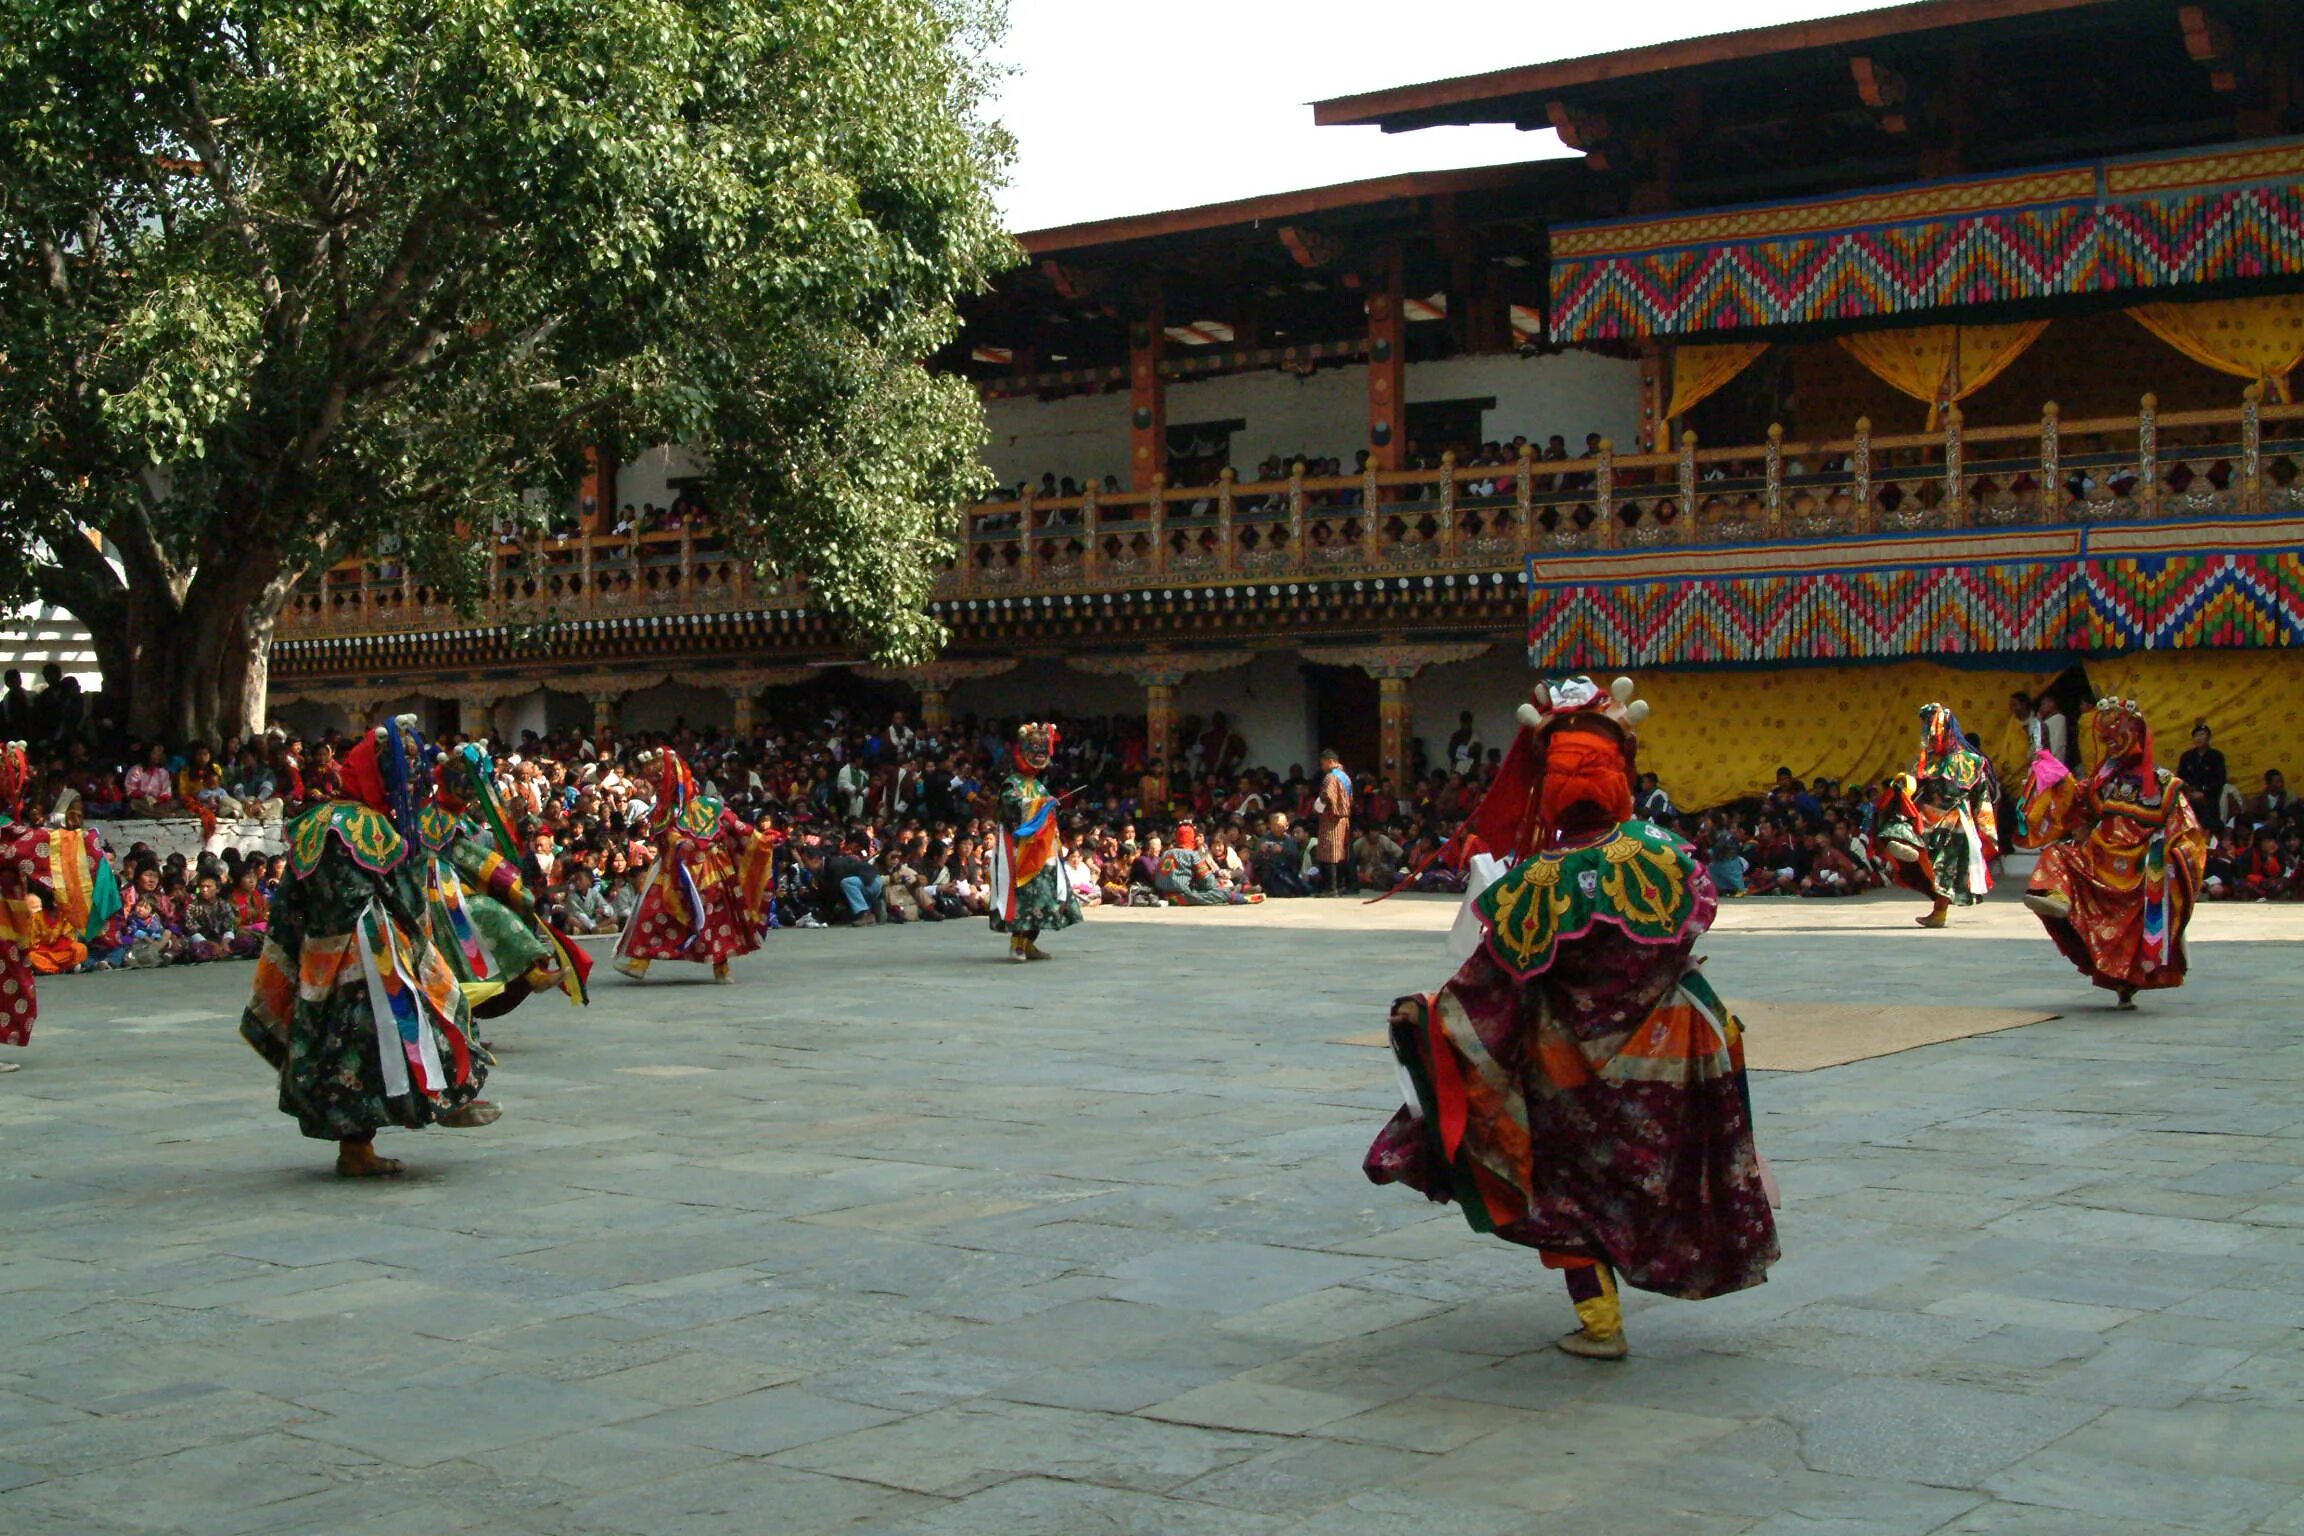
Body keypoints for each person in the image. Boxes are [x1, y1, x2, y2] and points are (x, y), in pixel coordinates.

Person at [1364, 676, 1776, 1360]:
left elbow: (1490, 982)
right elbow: (1689, 929)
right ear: (1617, 776)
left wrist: (1426, 1015)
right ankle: (1693, 1259)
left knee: (1560, 1183)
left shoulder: (1536, 882)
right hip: (1679, 1046)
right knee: (1665, 1172)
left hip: (1573, 1066)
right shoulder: (1664, 853)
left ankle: (1601, 1321)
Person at [238, 717, 500, 1177]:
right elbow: (403, 892)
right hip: (373, 950)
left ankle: (355, 1147)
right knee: (413, 1024)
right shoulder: (372, 827)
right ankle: (445, 1097)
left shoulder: (314, 821)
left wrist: (289, 947)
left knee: (336, 1048)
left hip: (321, 954)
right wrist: (420, 939)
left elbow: (289, 901)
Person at [2020, 697, 2208, 1008]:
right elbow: (2074, 801)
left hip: (2140, 868)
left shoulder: (2165, 785)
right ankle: (2059, 898)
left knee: (2142, 917)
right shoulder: (2102, 780)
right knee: (2056, 855)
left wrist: (2172, 856)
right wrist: (2051, 771)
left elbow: (2188, 833)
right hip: (2098, 859)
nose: (2112, 746)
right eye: (2107, 740)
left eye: (2117, 738)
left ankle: (2125, 984)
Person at [424, 743, 587, 1015]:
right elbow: (469, 855)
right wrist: (505, 877)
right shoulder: (435, 818)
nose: (470, 795)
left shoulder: (456, 816)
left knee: (494, 909)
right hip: (433, 888)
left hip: (455, 884)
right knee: (491, 913)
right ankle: (531, 972)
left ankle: (532, 971)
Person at [613, 748, 776, 982]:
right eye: (654, 781)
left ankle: (722, 966)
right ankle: (639, 960)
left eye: (661, 780)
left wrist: (762, 838)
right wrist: (679, 844)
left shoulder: (709, 805)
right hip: (673, 870)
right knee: (653, 911)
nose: (657, 786)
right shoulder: (663, 812)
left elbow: (737, 827)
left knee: (718, 918)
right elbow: (665, 840)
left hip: (712, 869)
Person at [1870, 703, 1998, 927]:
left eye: (1931, 726)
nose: (1928, 732)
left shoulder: (1969, 762)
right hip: (1929, 817)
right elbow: (1913, 788)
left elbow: (1981, 797)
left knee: (1944, 867)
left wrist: (1985, 830)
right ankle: (1902, 844)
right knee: (1934, 862)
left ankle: (1939, 912)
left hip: (1953, 820)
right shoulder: (1933, 761)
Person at [989, 722, 1082, 960]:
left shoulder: (1038, 785)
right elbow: (1011, 809)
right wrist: (1041, 805)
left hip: (1044, 851)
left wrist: (1050, 805)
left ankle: (1030, 942)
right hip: (1019, 852)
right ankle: (1017, 943)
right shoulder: (1012, 784)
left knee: (1046, 897)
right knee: (1025, 900)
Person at [1312, 748, 1352, 896]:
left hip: (1331, 820)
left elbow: (1326, 796)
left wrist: (1316, 808)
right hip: (1344, 820)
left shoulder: (1331, 777)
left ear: (1330, 762)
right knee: (1340, 852)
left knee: (1329, 854)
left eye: (1322, 764)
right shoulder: (1345, 777)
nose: (1322, 767)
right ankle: (1341, 886)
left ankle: (1331, 889)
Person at [2177, 723, 2227, 832]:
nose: (2199, 738)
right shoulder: (2186, 757)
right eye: (2196, 735)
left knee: (2209, 829)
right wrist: (2189, 792)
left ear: (2208, 737)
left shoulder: (2216, 756)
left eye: (2202, 734)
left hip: (2209, 799)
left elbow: (2220, 780)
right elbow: (2180, 779)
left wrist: (2203, 791)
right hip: (2189, 799)